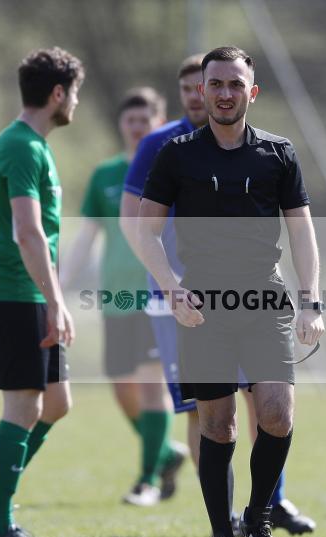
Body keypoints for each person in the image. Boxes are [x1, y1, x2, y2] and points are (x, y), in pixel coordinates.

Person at [136, 46, 324, 537]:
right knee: (217, 426)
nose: (223, 93)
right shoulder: (176, 154)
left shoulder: (278, 153)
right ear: (202, 90)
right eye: (214, 84)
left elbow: (302, 231)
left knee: (277, 414)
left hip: (266, 300)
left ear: (251, 92)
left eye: (234, 84)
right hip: (204, 306)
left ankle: (259, 520)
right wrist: (172, 289)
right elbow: (145, 231)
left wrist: (311, 300)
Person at [0, 47, 83, 537]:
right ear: (57, 93)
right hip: (13, 292)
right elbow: (27, 231)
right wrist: (55, 301)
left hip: (29, 291)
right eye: (74, 93)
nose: (75, 102)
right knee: (23, 405)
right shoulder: (21, 146)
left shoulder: (33, 144)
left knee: (56, 403)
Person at [59, 87, 188, 507]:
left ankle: (147, 480)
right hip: (116, 296)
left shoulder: (171, 167)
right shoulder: (105, 175)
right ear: (121, 124)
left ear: (159, 122)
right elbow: (86, 236)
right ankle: (165, 453)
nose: (136, 127)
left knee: (152, 385)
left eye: (144, 120)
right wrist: (59, 284)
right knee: (122, 389)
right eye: (130, 120)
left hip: (157, 293)